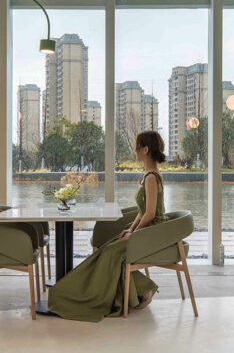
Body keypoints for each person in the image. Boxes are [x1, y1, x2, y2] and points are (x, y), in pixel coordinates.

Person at [47, 130, 169, 322]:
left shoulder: (152, 177)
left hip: (152, 233)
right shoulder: (148, 175)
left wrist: (133, 234)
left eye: (137, 146)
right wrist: (130, 230)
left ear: (145, 149)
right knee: (107, 249)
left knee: (111, 254)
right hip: (146, 230)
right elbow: (142, 211)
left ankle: (145, 288)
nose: (134, 150)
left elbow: (151, 214)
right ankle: (137, 289)